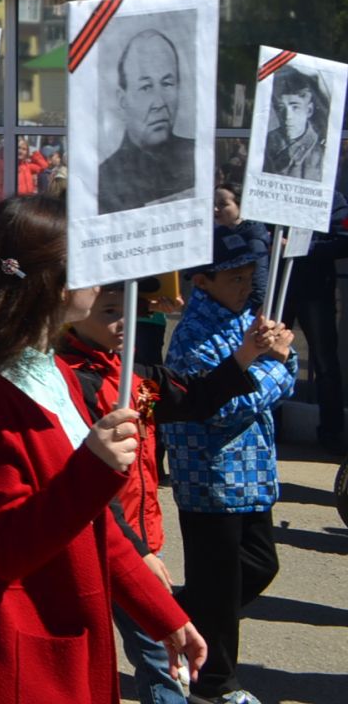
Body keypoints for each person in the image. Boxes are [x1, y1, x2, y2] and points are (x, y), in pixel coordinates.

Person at [0, 195, 204, 704]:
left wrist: (164, 614)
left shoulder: (52, 371)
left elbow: (91, 521)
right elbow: (7, 545)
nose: (101, 282)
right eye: (86, 267)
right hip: (5, 658)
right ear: (48, 282)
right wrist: (94, 468)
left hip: (51, 640)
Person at [59, 278, 271, 704]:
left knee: (159, 655)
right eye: (109, 312)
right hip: (100, 546)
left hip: (136, 545)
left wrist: (247, 355)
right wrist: (137, 552)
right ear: (75, 312)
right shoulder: (68, 382)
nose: (123, 322)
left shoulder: (134, 377)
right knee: (138, 656)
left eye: (128, 311)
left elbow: (192, 397)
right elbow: (91, 487)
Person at [164, 225, 298, 703]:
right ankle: (216, 686)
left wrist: (278, 359)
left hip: (252, 473)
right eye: (233, 278)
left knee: (259, 565)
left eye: (248, 276)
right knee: (219, 586)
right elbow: (221, 407)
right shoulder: (192, 335)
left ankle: (176, 622)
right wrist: (274, 366)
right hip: (211, 476)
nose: (245, 286)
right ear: (202, 282)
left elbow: (288, 366)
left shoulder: (247, 319)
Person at [99, 29, 196, 214]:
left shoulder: (198, 158)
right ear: (122, 100)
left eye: (167, 84)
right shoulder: (102, 181)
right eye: (145, 87)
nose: (159, 103)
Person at [285, 192, 348, 455]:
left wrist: (301, 248)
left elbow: (343, 243)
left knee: (325, 364)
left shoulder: (331, 197)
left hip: (315, 291)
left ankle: (331, 433)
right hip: (278, 288)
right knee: (266, 359)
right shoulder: (275, 189)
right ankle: (268, 426)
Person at [212, 181, 275, 313]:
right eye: (214, 204)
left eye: (223, 204)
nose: (215, 209)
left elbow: (259, 284)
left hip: (242, 312)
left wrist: (250, 315)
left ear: (241, 206)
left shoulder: (253, 238)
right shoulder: (219, 233)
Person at [261, 65, 327, 181]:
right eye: (281, 108)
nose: (287, 117)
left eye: (295, 107)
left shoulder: (322, 158)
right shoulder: (264, 142)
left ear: (309, 110)